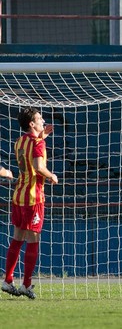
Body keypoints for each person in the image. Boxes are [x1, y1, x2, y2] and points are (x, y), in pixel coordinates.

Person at [1, 107, 58, 299]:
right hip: (33, 198)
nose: (43, 121)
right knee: (33, 240)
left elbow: (30, 152)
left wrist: (41, 137)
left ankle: (8, 281)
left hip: (18, 195)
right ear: (32, 124)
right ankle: (26, 285)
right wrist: (52, 176)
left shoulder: (20, 141)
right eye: (39, 119)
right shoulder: (37, 143)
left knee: (17, 239)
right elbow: (38, 167)